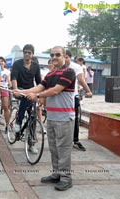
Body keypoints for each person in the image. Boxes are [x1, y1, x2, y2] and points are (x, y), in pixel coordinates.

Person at [15, 46, 76, 191]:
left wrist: (36, 96)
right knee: (54, 148)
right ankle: (56, 174)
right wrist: (21, 91)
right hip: (53, 117)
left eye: (58, 54)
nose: (54, 57)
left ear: (64, 56)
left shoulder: (69, 72)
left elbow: (55, 90)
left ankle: (66, 178)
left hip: (65, 118)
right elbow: (39, 87)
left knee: (64, 149)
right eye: (52, 54)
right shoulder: (50, 74)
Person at [10, 44, 41, 143]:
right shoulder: (17, 64)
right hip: (19, 89)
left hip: (31, 90)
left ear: (32, 54)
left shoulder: (36, 66)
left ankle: (31, 139)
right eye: (25, 52)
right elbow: (13, 77)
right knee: (25, 99)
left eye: (29, 53)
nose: (27, 54)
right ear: (23, 53)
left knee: (33, 115)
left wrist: (40, 95)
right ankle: (18, 121)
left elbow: (39, 81)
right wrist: (15, 90)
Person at [65, 50, 92, 151]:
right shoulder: (57, 67)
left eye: (66, 57)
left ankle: (75, 140)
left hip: (72, 96)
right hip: (60, 97)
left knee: (75, 118)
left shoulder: (76, 67)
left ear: (70, 57)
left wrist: (88, 91)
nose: (65, 59)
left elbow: (81, 80)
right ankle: (62, 140)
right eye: (63, 57)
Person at [0, 56, 11, 127]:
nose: (0, 63)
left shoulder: (7, 71)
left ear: (4, 63)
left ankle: (7, 124)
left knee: (5, 106)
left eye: (2, 61)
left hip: (4, 88)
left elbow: (9, 81)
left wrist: (11, 86)